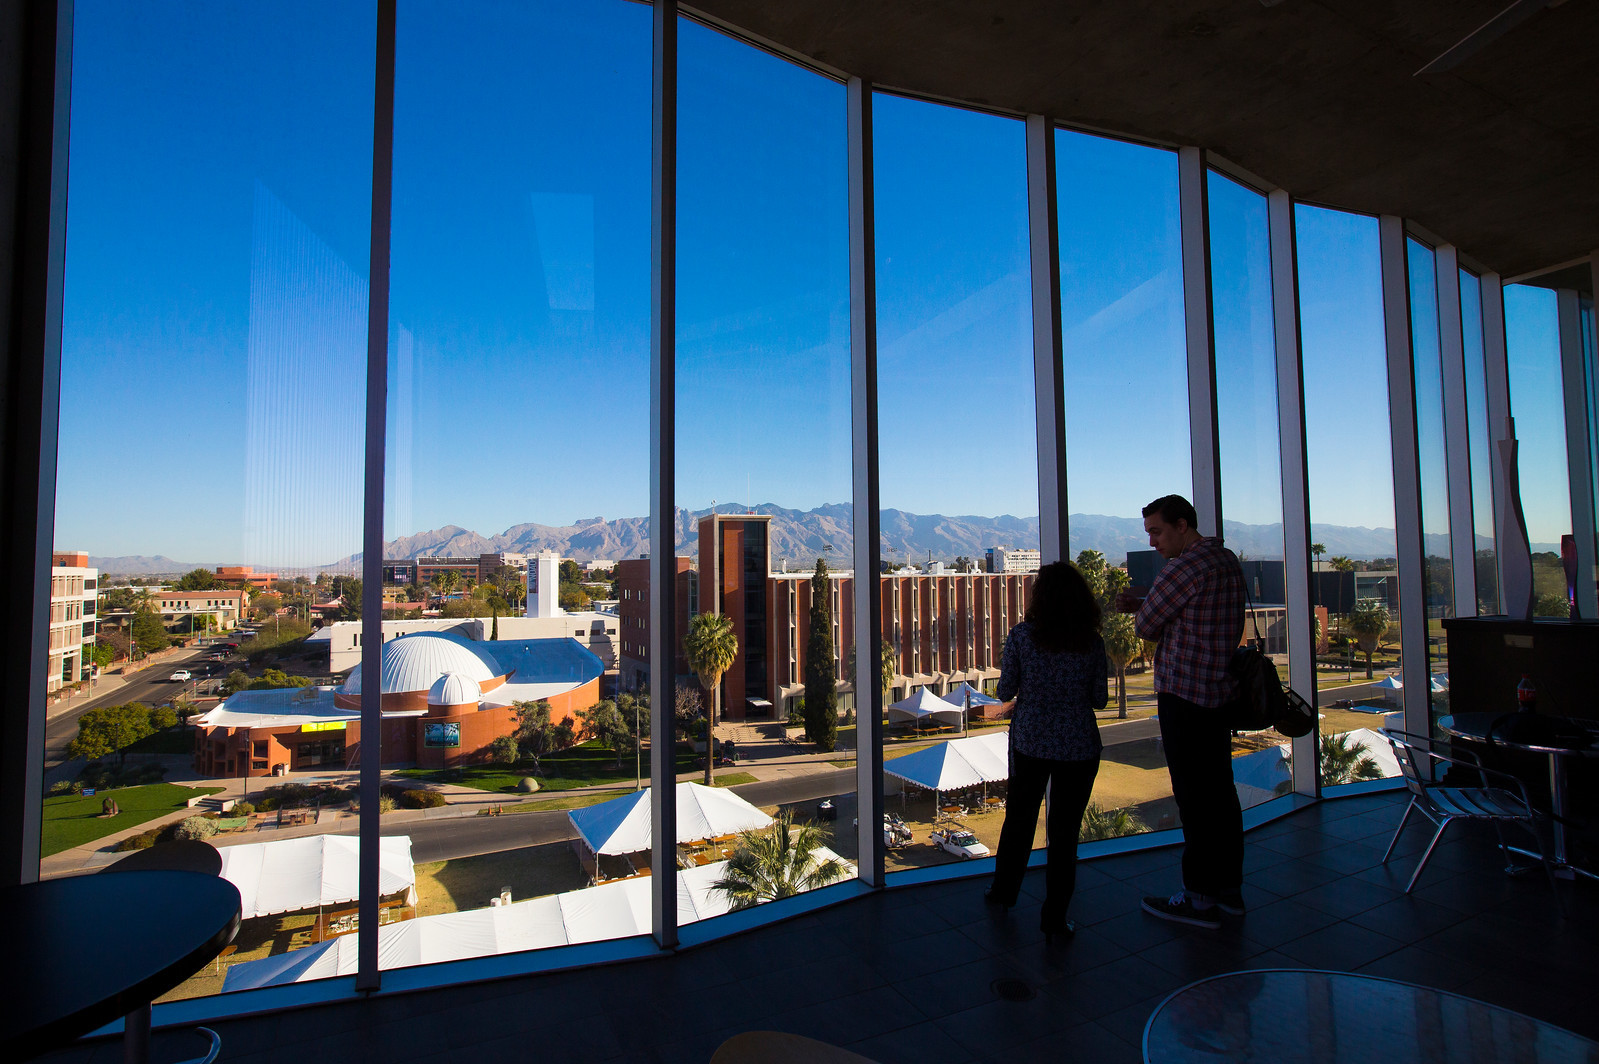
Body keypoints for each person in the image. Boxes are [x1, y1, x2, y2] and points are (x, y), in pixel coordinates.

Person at [1115, 493, 1246, 929]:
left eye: (1157, 531)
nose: (1153, 541)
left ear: (1182, 525)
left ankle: (1199, 898)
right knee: (1221, 795)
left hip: (1184, 697)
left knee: (1193, 798)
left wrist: (1144, 607)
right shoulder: (1225, 560)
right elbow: (1192, 614)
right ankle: (1229, 893)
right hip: (1217, 695)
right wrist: (1152, 604)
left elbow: (1147, 626)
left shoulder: (1182, 567)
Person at [985, 561, 1107, 943]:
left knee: (1019, 821)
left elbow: (1005, 691)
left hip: (1031, 743)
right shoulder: (1091, 641)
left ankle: (1003, 895)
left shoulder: (1022, 636)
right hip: (1079, 745)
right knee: (1065, 832)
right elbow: (1099, 700)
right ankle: (1054, 918)